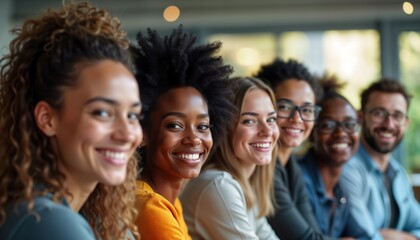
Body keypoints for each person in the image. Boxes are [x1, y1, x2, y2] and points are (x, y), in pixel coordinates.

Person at [0, 2, 142, 240]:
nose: (127, 134)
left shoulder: (87, 215)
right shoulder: (48, 222)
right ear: (47, 119)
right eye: (103, 113)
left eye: (132, 115)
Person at [131, 26, 235, 240]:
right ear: (143, 133)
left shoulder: (169, 201)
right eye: (175, 125)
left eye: (202, 126)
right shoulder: (150, 207)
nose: (194, 138)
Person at [180, 77, 280, 240]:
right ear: (225, 129)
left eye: (271, 119)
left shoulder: (243, 184)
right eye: (250, 121)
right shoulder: (218, 186)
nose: (267, 130)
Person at [341, 79, 420, 239]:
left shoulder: (398, 173)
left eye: (397, 116)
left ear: (406, 123)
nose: (389, 124)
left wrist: (389, 235)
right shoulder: (347, 168)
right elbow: (368, 237)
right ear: (360, 117)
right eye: (379, 113)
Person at [255, 58, 325, 239]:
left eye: (307, 110)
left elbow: (315, 233)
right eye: (285, 107)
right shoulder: (261, 167)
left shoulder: (291, 166)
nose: (297, 119)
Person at [298, 75, 370, 239]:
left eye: (350, 124)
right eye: (328, 125)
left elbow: (363, 236)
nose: (341, 133)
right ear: (312, 133)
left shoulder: (340, 189)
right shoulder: (298, 178)